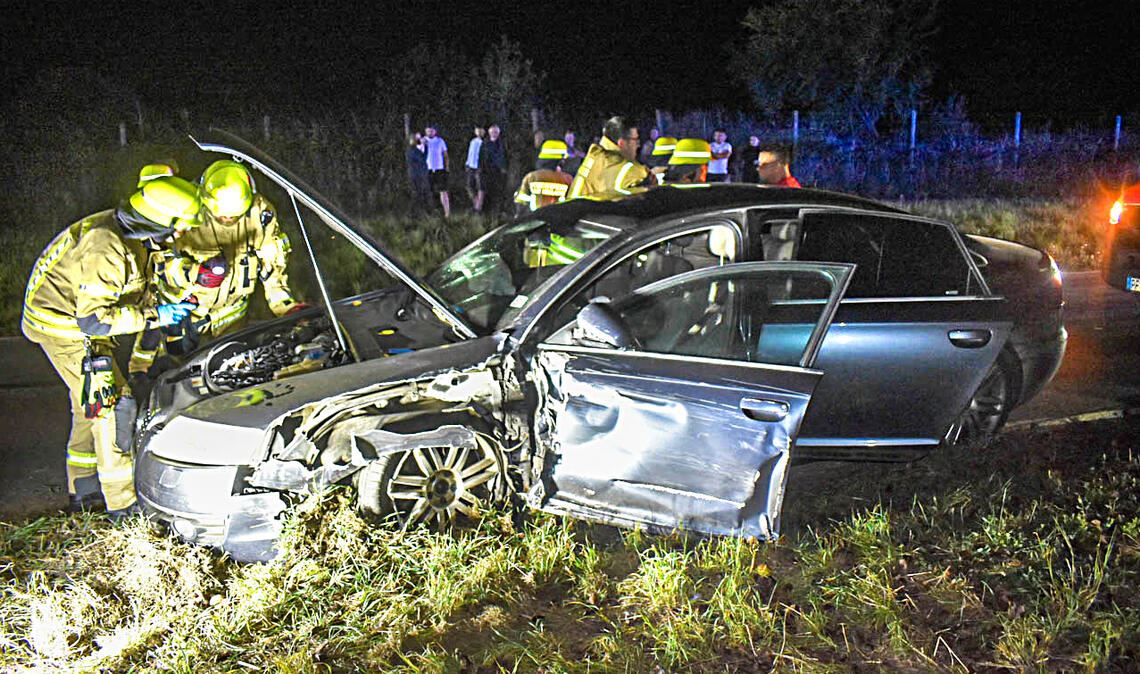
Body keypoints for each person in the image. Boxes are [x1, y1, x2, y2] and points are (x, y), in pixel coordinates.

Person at [22, 176, 202, 518]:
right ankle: (122, 505)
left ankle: (84, 490)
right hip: (65, 329)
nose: (182, 234)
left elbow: (136, 284)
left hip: (77, 323)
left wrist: (166, 305)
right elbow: (94, 321)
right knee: (114, 404)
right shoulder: (106, 247)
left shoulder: (132, 232)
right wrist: (156, 315)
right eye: (179, 226)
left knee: (86, 406)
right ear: (159, 219)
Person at [128, 160, 305, 378]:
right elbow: (157, 262)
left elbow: (273, 267)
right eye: (221, 215)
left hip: (233, 327)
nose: (228, 219)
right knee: (172, 381)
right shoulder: (184, 207)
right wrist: (196, 274)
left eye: (234, 216)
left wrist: (286, 307)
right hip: (182, 323)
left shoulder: (261, 214)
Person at [568, 116, 656, 198]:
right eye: (635, 140)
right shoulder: (625, 167)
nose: (638, 145)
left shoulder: (596, 157)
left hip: (574, 208)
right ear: (621, 143)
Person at [513, 140, 574, 215]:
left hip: (536, 219)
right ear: (560, 161)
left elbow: (520, 202)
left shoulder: (531, 177)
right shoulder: (568, 179)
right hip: (559, 220)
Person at [480, 124, 508, 215]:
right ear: (489, 133)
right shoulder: (485, 144)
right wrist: (481, 169)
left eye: (496, 132)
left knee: (499, 193)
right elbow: (481, 157)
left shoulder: (502, 144)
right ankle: (486, 213)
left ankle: (500, 211)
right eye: (492, 132)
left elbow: (506, 156)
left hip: (499, 172)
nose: (494, 134)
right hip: (487, 172)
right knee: (488, 193)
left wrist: (504, 168)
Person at [424, 125, 450, 217]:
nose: (430, 133)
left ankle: (447, 213)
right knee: (428, 192)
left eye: (431, 131)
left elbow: (445, 155)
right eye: (428, 131)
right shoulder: (423, 141)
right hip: (427, 170)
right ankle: (429, 213)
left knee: (443, 191)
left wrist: (447, 167)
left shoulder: (440, 141)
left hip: (439, 169)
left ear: (435, 131)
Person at [405, 132, 431, 213]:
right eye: (417, 139)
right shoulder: (412, 150)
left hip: (416, 174)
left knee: (419, 193)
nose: (418, 140)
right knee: (417, 193)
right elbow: (423, 158)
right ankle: (412, 212)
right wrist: (426, 146)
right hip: (416, 175)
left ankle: (416, 212)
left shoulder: (412, 150)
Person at [464, 126, 485, 213]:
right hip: (471, 166)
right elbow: (470, 153)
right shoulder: (473, 141)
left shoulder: (485, 142)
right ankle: (476, 204)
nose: (479, 132)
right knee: (469, 186)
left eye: (481, 130)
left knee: (480, 187)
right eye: (477, 130)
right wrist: (467, 163)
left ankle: (478, 208)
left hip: (480, 167)